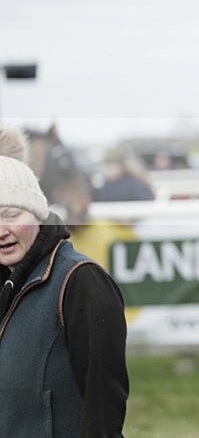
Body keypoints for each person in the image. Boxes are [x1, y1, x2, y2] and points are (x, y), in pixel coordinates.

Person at [0, 125, 128, 437]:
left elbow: (104, 407)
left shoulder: (81, 281)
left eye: (11, 215)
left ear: (37, 213)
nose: (1, 230)